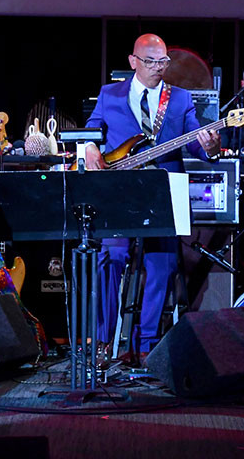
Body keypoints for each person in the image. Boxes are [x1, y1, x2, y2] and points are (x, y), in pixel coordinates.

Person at [84, 33, 220, 363]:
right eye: (151, 61)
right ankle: (105, 341)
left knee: (163, 264)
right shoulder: (109, 93)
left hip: (162, 192)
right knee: (111, 258)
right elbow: (92, 129)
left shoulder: (180, 98)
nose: (158, 68)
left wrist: (210, 147)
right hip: (120, 192)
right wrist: (89, 148)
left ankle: (147, 346)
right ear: (133, 62)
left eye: (163, 61)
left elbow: (194, 143)